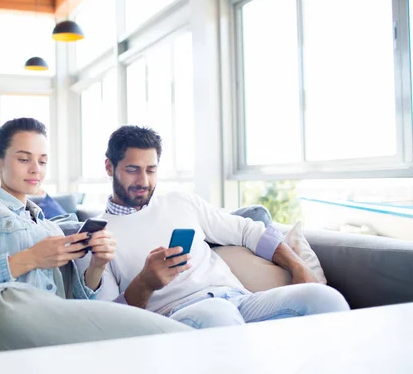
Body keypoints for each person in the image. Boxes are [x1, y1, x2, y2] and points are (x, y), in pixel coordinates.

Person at [0, 118, 191, 354]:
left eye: (42, 161)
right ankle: (201, 347)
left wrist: (98, 266)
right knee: (161, 337)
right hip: (2, 307)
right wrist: (30, 258)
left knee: (141, 335)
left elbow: (75, 307)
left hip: (49, 321)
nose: (36, 169)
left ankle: (196, 347)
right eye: (24, 159)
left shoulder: (51, 228)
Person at [92, 125, 350, 329]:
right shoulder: (96, 235)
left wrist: (298, 266)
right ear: (109, 167)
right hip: (176, 316)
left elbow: (249, 231)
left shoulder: (182, 202)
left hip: (239, 301)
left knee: (324, 299)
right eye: (133, 170)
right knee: (217, 314)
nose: (144, 181)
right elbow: (111, 321)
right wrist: (145, 283)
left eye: (151, 170)